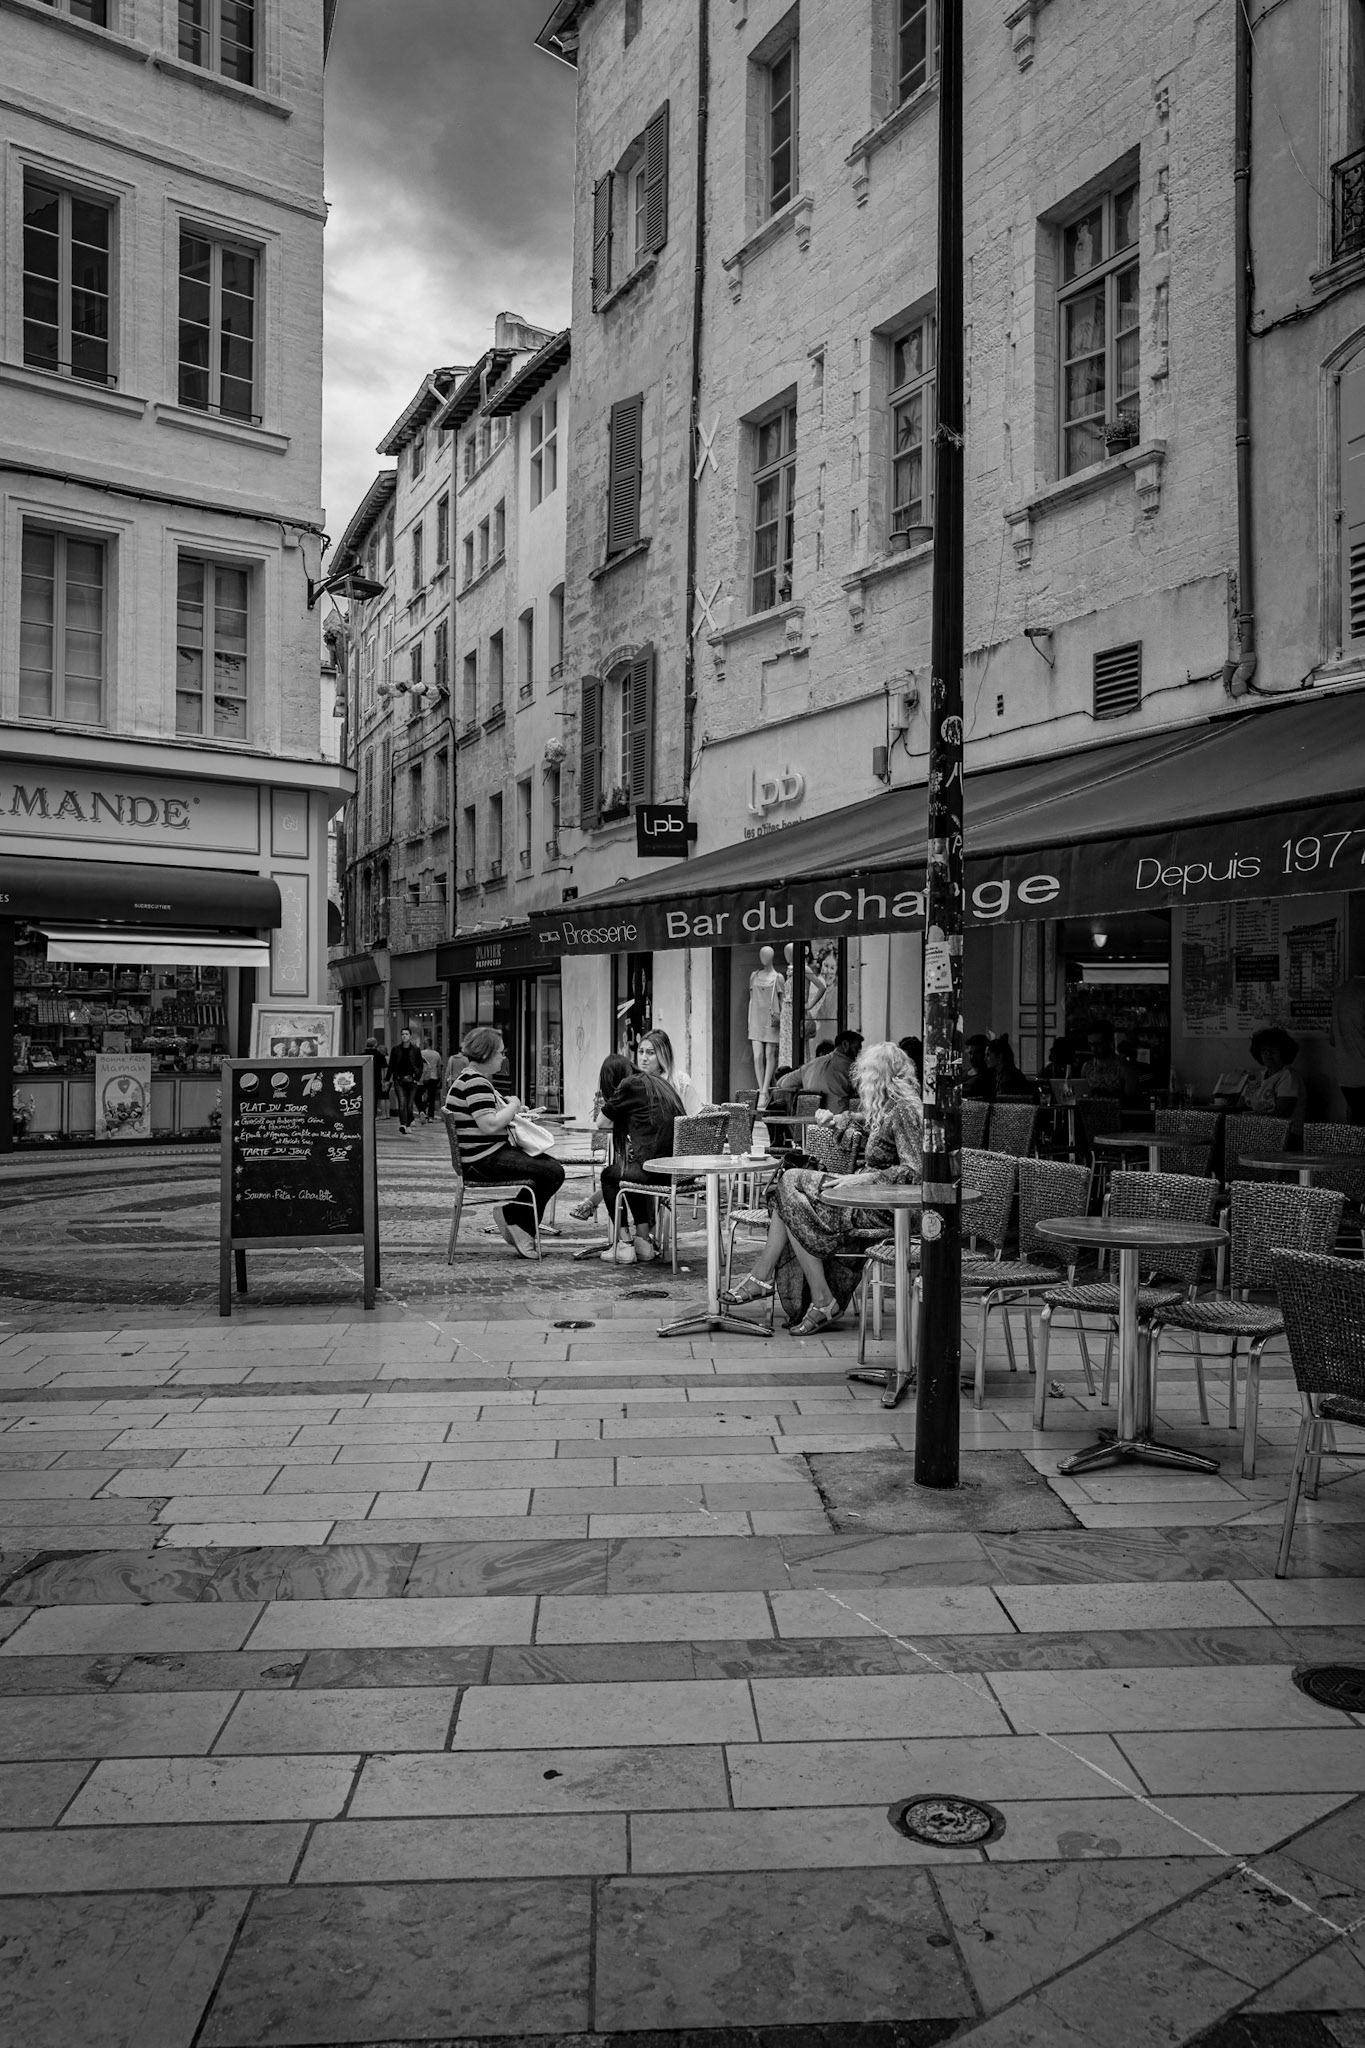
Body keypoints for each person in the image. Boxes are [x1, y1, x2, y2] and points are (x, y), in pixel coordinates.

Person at [723, 1040, 924, 1335]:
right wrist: (838, 1119)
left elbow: (914, 1170)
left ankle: (767, 1280)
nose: (859, 1079)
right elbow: (866, 1124)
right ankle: (815, 1298)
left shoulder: (904, 1111)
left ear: (877, 1075)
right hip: (866, 1196)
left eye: (865, 1071)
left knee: (790, 1184)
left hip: (883, 1207)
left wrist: (864, 1178)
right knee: (789, 1194)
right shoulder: (889, 1108)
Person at [444, 1025, 564, 1257]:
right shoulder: (475, 1083)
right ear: (486, 1054)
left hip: (480, 1157)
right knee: (553, 1171)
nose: (504, 1056)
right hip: (483, 1160)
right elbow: (488, 1124)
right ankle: (517, 1221)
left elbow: (487, 1115)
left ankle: (515, 1217)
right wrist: (513, 1106)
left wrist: (512, 1109)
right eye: (500, 1052)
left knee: (547, 1168)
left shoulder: (469, 1080)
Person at [596, 1049, 684, 1263]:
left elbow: (602, 1122)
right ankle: (643, 1242)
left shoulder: (628, 1086)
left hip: (657, 1171)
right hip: (679, 1170)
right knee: (629, 1172)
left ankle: (624, 1245)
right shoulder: (655, 1082)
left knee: (610, 1176)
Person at [770, 1029, 864, 1112]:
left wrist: (804, 1086)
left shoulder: (810, 1065)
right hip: (838, 1121)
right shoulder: (852, 1067)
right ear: (845, 1045)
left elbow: (782, 1083)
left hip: (809, 1123)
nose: (859, 1053)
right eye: (857, 1048)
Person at [1247, 1025, 1308, 1139]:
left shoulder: (1288, 1076)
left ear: (1284, 1053)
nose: (1267, 1055)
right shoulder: (1259, 1075)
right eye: (1264, 1051)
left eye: (1273, 1051)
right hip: (1262, 1131)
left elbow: (1282, 1113)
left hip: (1287, 1135)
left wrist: (1254, 1121)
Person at [747, 945, 785, 1109]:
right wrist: (749, 1020)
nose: (763, 958)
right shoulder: (754, 976)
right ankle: (762, 1087)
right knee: (757, 1056)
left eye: (766, 955)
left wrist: (784, 1022)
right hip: (755, 1019)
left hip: (771, 1020)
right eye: (762, 955)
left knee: (770, 1055)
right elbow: (751, 999)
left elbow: (783, 1002)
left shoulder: (778, 977)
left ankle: (764, 1092)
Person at [638, 1026, 702, 1116]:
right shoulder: (635, 1082)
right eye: (641, 1052)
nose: (643, 1058)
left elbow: (696, 1118)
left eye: (650, 1053)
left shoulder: (681, 1082)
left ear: (663, 1055)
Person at [1080, 1021, 1137, 1102]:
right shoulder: (1087, 1067)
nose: (1093, 1049)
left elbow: (1132, 1102)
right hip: (1090, 1113)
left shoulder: (1124, 1068)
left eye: (1097, 1044)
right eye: (1091, 1044)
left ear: (1109, 1041)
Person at [387, 1027, 425, 1134]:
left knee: (409, 1104)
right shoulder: (396, 1049)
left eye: (406, 1034)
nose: (404, 1036)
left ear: (410, 1036)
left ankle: (408, 1123)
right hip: (399, 1080)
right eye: (402, 1034)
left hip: (412, 1080)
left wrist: (417, 1078)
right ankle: (403, 1124)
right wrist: (387, 1079)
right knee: (402, 1103)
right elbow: (391, 1065)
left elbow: (420, 1065)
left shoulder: (416, 1049)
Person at [985, 1034, 1037, 1100]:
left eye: (988, 1055)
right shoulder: (998, 1075)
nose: (985, 1059)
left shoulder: (1010, 1078)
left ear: (999, 1057)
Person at [963, 1035, 995, 1101]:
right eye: (970, 1053)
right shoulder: (962, 1073)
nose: (972, 1057)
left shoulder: (989, 1077)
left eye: (977, 1053)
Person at [418, 1038, 443, 1123]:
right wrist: (439, 1076)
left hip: (424, 1077)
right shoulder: (437, 1054)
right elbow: (439, 1067)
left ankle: (422, 1111)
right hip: (433, 1077)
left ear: (425, 1044)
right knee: (432, 1097)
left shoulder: (421, 1053)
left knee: (419, 1095)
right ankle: (431, 1116)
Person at [363, 1037, 387, 1117]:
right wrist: (384, 1082)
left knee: (365, 1098)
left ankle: (366, 1114)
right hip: (376, 1080)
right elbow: (384, 1070)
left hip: (364, 1080)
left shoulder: (361, 1056)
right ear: (375, 1044)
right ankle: (373, 1114)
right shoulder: (380, 1056)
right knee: (375, 1099)